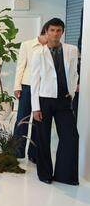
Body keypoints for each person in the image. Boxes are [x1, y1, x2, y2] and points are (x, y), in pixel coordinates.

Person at [31, 18, 79, 186]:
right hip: (45, 99)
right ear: (46, 31)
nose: (55, 34)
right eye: (52, 30)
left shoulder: (72, 50)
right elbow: (34, 82)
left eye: (58, 30)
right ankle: (45, 174)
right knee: (43, 137)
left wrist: (71, 93)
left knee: (71, 137)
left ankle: (65, 175)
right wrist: (35, 107)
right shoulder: (38, 53)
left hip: (63, 100)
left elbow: (74, 73)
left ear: (62, 32)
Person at [13, 25, 48, 163]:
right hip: (27, 86)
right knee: (23, 119)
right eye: (50, 33)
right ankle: (17, 151)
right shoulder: (27, 45)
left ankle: (34, 154)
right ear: (45, 31)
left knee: (38, 120)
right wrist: (17, 86)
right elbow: (20, 66)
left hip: (44, 88)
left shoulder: (52, 47)